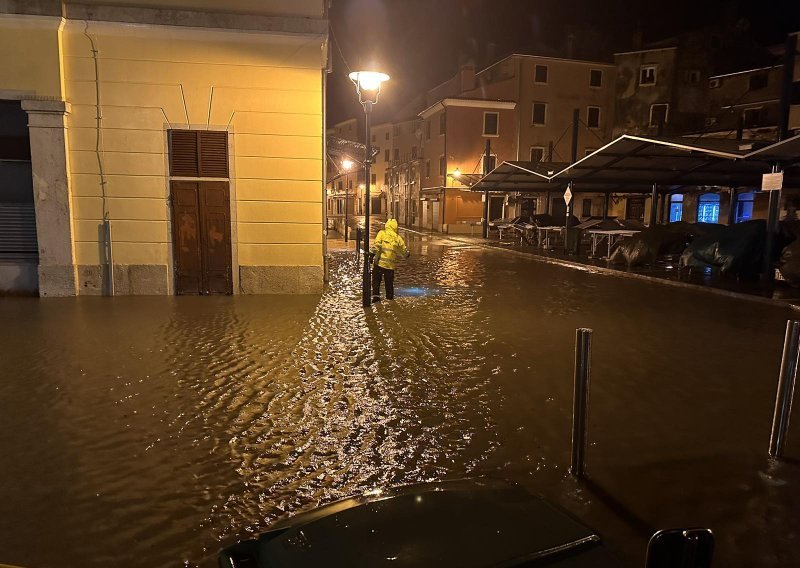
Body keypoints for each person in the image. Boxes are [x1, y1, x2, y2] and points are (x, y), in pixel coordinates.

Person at [369, 218, 410, 301]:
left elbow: (377, 245)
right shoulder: (398, 238)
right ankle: (390, 300)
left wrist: (371, 255)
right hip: (390, 266)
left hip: (379, 264)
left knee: (376, 282)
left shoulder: (382, 233)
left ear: (387, 225)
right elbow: (403, 250)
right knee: (389, 284)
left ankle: (376, 298)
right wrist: (407, 254)